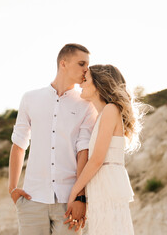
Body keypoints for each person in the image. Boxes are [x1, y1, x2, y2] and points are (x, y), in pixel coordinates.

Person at [8, 43, 97, 235]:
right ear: (63, 63)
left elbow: (84, 151)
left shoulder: (87, 105)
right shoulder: (30, 98)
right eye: (81, 64)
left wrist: (80, 197)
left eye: (87, 65)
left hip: (69, 202)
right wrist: (12, 188)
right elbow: (19, 143)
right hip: (32, 199)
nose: (86, 70)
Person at [65, 64, 141, 235]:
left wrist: (74, 192)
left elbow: (97, 159)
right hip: (102, 187)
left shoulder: (110, 110)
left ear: (99, 84)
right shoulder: (102, 115)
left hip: (107, 186)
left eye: (85, 79)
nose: (80, 84)